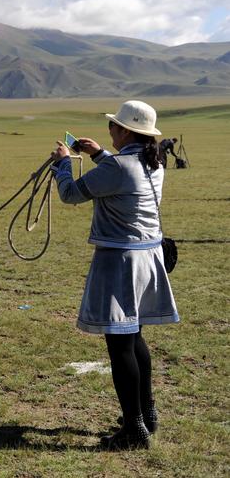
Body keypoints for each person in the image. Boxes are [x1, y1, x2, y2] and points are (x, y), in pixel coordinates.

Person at [50, 100, 179, 450]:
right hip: (146, 257)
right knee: (134, 338)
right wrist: (99, 153)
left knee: (119, 344)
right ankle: (146, 414)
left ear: (125, 131)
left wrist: (63, 164)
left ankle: (134, 430)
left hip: (120, 261)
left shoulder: (120, 166)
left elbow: (70, 194)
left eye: (113, 126)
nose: (110, 130)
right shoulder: (153, 162)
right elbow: (123, 174)